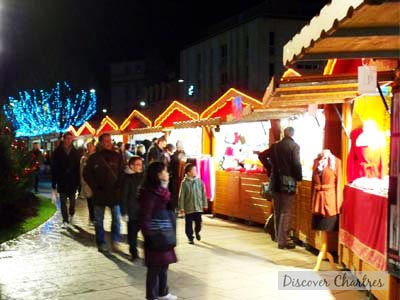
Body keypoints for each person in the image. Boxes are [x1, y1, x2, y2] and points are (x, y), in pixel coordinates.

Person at [258, 127, 302, 250]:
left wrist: (269, 167)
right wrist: (298, 179)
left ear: (284, 134)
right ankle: (283, 241)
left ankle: (278, 237)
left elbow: (261, 156)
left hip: (275, 181)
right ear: (293, 134)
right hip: (288, 183)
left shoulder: (275, 146)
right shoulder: (294, 146)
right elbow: (296, 164)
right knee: (286, 211)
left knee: (277, 210)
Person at [139, 162, 178, 300]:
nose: (168, 173)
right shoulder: (149, 193)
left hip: (165, 232)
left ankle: (163, 292)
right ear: (157, 175)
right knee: (154, 268)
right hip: (155, 234)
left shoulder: (162, 190)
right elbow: (145, 215)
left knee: (164, 265)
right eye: (165, 171)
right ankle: (152, 296)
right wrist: (148, 235)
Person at [83, 133, 124, 253]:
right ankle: (101, 242)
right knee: (99, 220)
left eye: (109, 140)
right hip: (100, 193)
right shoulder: (94, 158)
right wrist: (95, 187)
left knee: (116, 218)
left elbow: (122, 172)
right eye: (106, 141)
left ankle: (115, 240)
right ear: (100, 142)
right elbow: (87, 174)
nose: (109, 143)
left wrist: (119, 185)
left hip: (114, 193)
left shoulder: (117, 156)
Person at [51, 132, 81, 228]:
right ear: (64, 139)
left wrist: (78, 182)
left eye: (70, 138)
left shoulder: (75, 152)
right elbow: (54, 168)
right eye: (67, 138)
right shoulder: (57, 152)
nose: (68, 140)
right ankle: (65, 220)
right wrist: (54, 182)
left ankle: (71, 214)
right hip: (62, 180)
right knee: (63, 202)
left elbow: (78, 168)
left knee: (72, 202)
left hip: (72, 180)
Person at [120, 156, 144, 260]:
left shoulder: (142, 176)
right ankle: (134, 252)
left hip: (142, 209)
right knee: (132, 233)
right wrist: (124, 212)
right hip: (132, 210)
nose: (140, 166)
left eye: (140, 164)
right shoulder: (127, 178)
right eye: (137, 164)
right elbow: (123, 196)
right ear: (131, 166)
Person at [178, 163, 208, 244]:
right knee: (188, 224)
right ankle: (190, 237)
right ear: (188, 173)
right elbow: (181, 196)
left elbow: (203, 194)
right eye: (194, 170)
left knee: (198, 223)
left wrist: (205, 204)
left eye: (195, 170)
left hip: (198, 207)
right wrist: (181, 207)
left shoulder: (199, 182)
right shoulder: (184, 183)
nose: (196, 171)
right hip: (189, 208)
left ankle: (197, 231)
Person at [79, 141, 96, 226]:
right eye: (88, 146)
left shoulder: (97, 157)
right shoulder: (84, 158)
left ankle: (95, 218)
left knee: (96, 202)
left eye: (91, 146)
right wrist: (82, 182)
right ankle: (92, 218)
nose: (89, 148)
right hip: (88, 184)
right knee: (90, 201)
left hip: (96, 183)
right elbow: (81, 171)